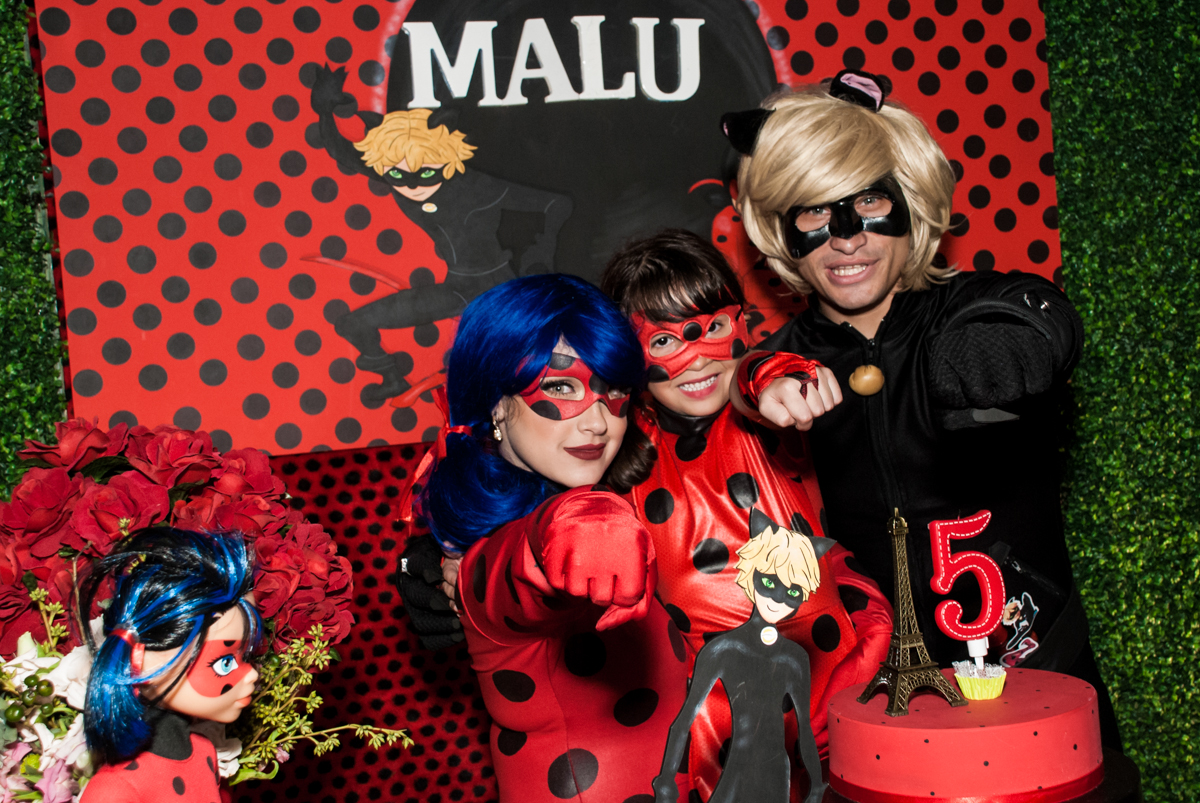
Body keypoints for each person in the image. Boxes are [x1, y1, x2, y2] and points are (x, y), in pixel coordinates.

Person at [725, 69, 1120, 747]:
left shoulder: (968, 309)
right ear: (781, 231)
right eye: (813, 212)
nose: (845, 237)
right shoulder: (782, 365)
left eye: (867, 200)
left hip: (1034, 662)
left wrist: (1007, 343)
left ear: (910, 202)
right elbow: (728, 384)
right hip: (876, 693)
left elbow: (1037, 311)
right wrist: (755, 381)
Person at [599, 230, 892, 799]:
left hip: (838, 701)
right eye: (665, 341)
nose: (697, 358)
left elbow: (760, 380)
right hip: (722, 740)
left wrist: (774, 379)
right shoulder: (621, 452)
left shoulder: (760, 423)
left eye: (713, 328)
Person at [408, 274, 691, 802]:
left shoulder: (607, 483)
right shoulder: (491, 551)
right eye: (561, 388)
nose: (598, 422)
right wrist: (582, 524)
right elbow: (526, 561)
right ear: (496, 402)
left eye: (613, 391)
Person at [311, 66, 572, 403]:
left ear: (445, 161)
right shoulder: (397, 170)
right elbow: (344, 154)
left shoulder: (475, 187)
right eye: (397, 175)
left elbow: (557, 204)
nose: (411, 184)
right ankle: (391, 380)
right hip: (457, 288)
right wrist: (324, 110)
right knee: (353, 323)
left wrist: (540, 259)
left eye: (426, 173)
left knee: (517, 373)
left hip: (497, 292)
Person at [653, 510, 828, 803]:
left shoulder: (794, 658)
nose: (778, 600)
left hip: (777, 774)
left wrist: (816, 788)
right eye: (769, 583)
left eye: (793, 592)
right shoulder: (723, 650)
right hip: (738, 768)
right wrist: (666, 783)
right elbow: (684, 721)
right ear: (751, 573)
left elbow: (805, 729)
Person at [75, 527, 262, 802]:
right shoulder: (117, 789)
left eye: (246, 656)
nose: (251, 675)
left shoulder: (205, 753)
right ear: (142, 662)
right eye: (224, 662)